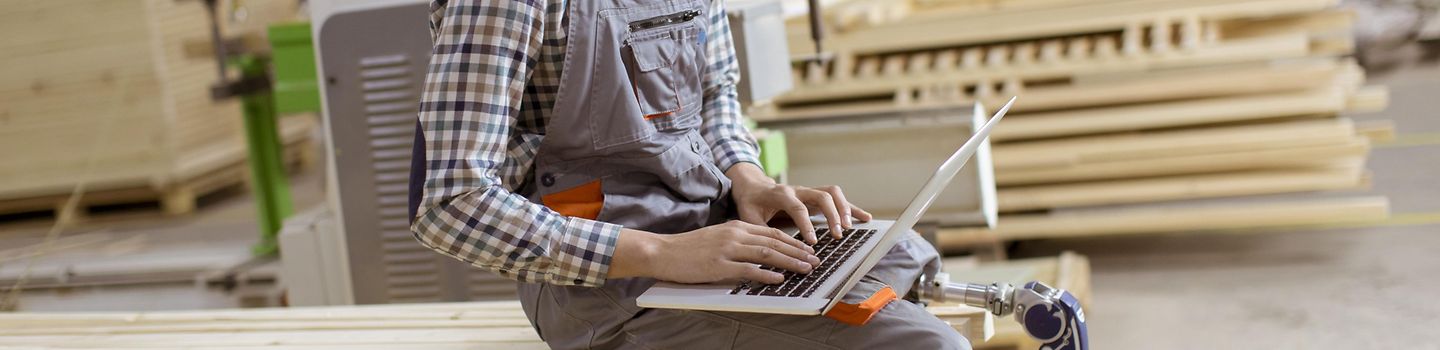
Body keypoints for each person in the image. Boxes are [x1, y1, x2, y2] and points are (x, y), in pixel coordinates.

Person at [408, 0, 968, 348]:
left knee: (902, 253)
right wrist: (664, 255)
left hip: (710, 226)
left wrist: (747, 177)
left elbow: (715, 95)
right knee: (925, 345)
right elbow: (450, 204)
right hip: (609, 287)